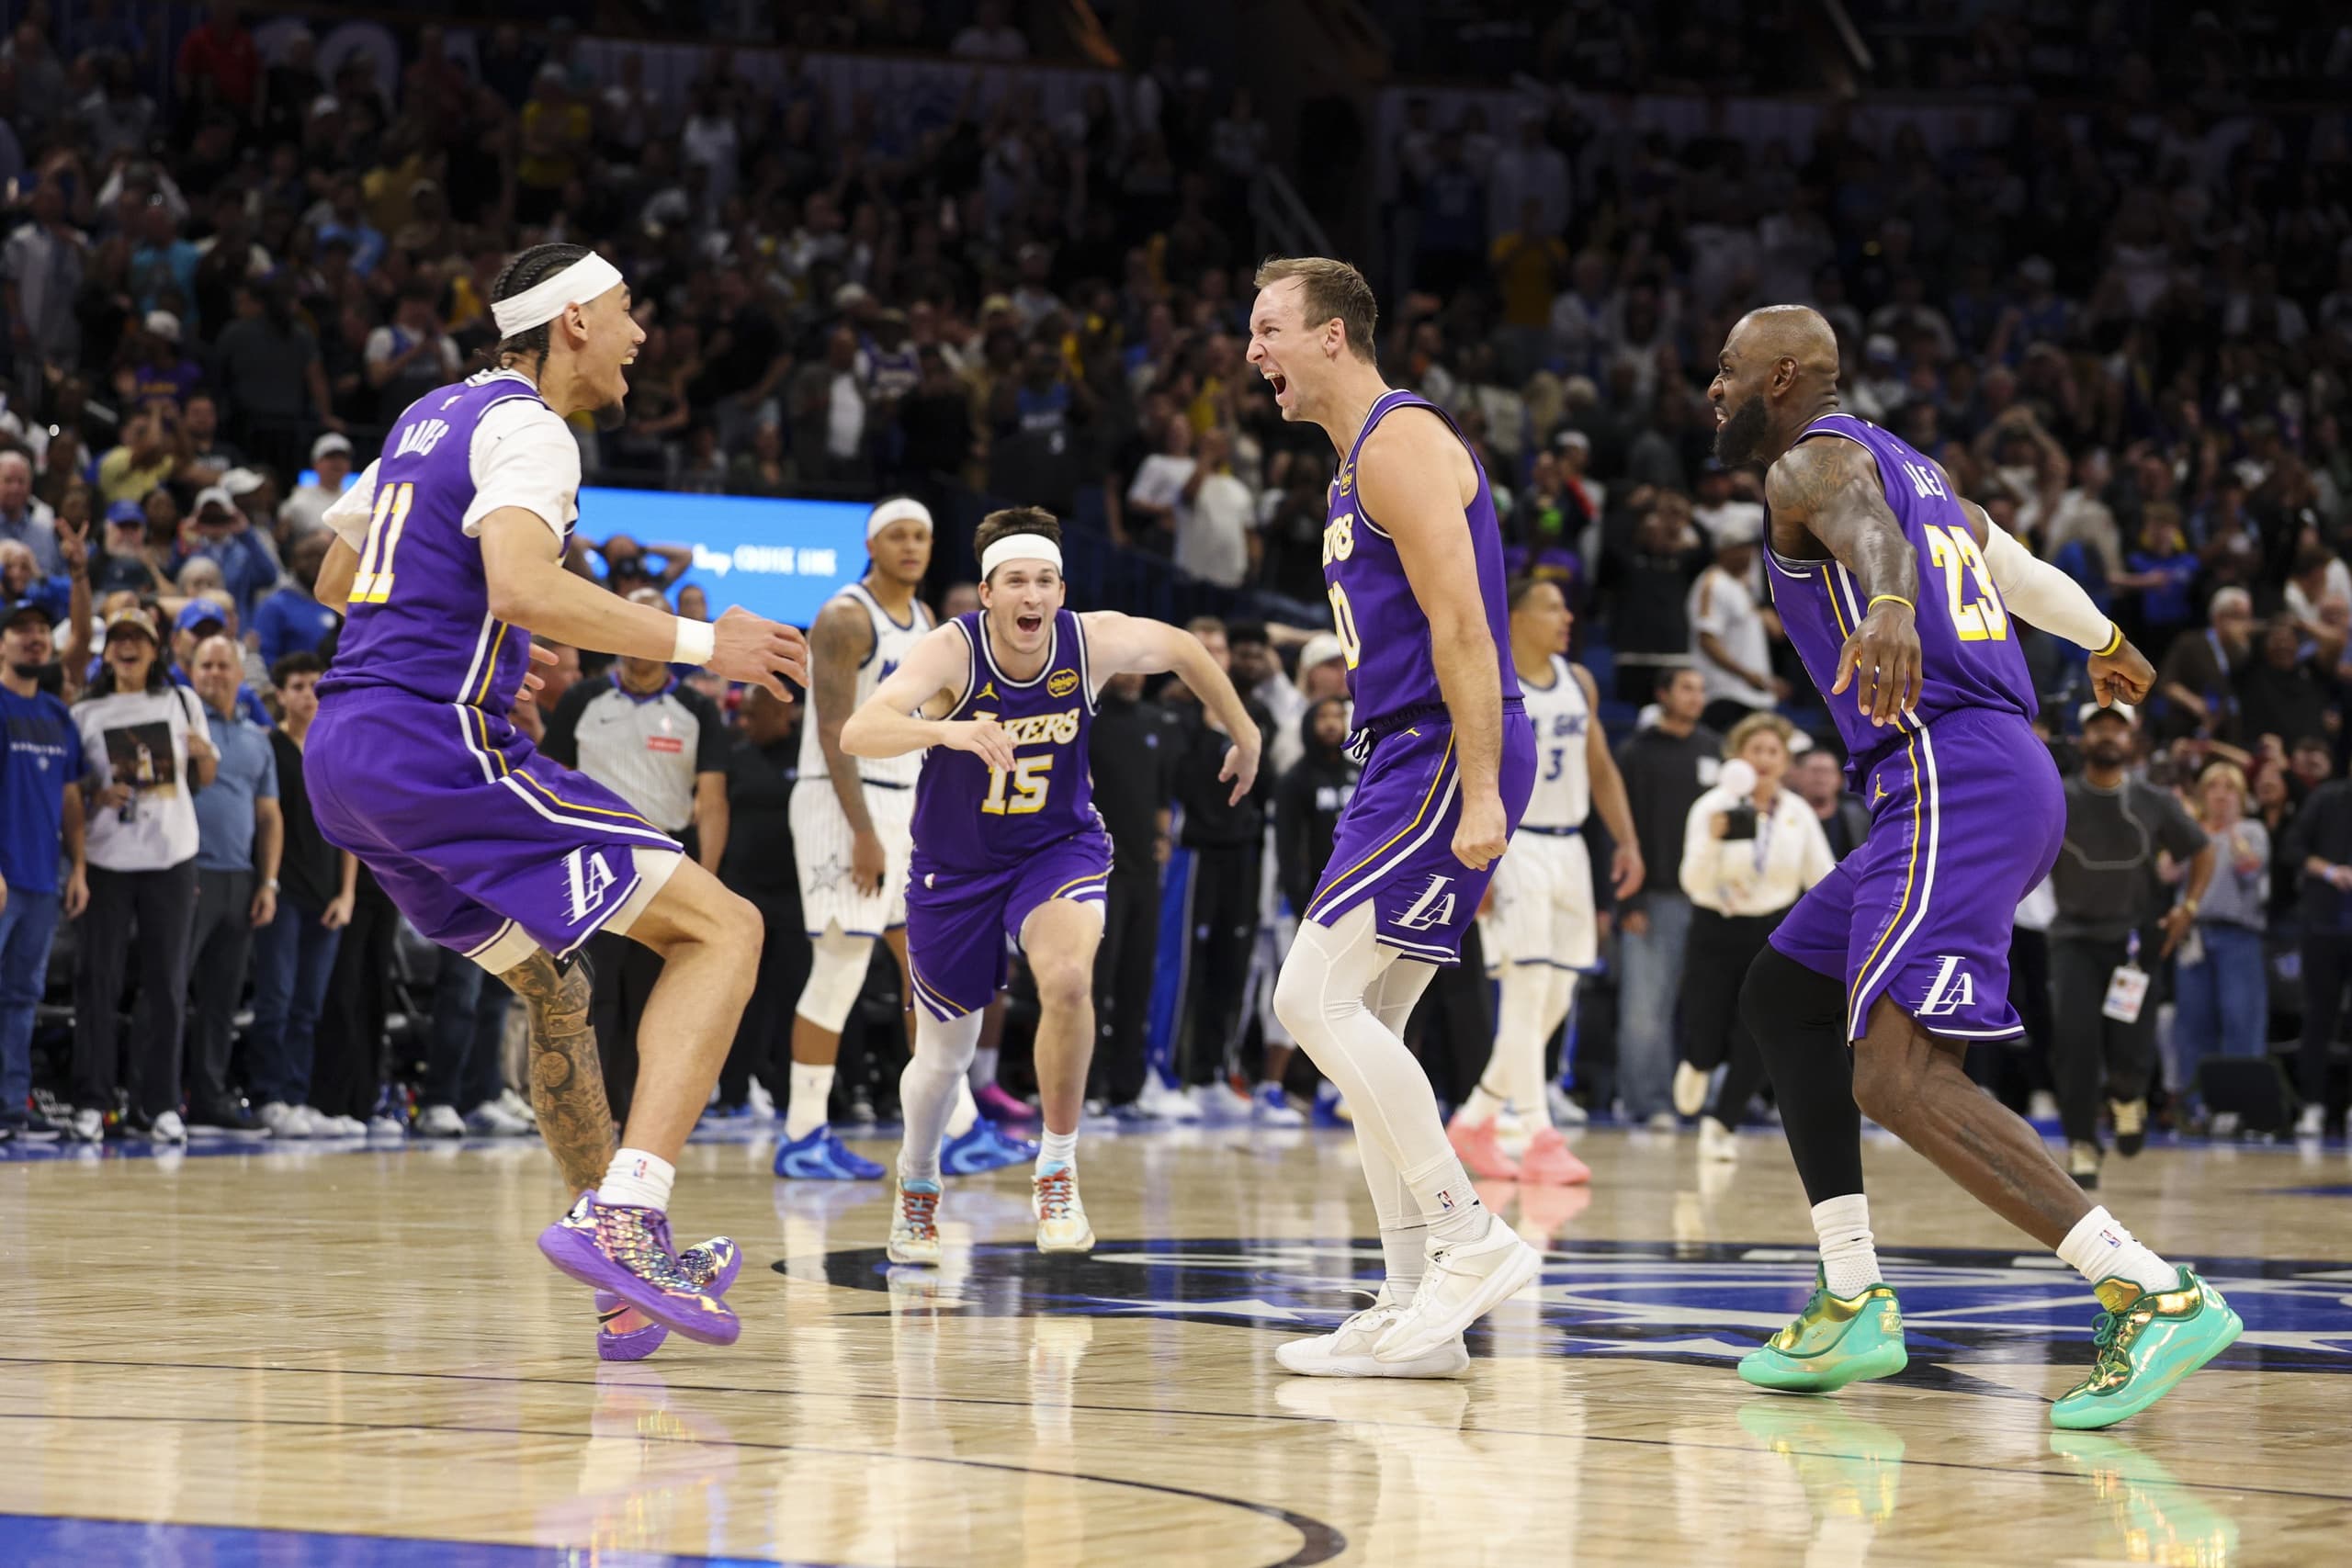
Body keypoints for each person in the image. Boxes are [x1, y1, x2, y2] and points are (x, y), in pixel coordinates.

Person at [1709, 304, 2238, 1430]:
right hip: (1969, 774)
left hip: (1950, 771)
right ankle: (1851, 1296)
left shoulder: (1813, 462)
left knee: (1897, 1077)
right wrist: (2102, 640)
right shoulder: (1927, 474)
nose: (1712, 387)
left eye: (1727, 369)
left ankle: (2149, 1291)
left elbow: (1863, 533)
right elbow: (2018, 568)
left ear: (1782, 376)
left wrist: (1890, 601)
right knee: (1784, 993)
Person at [301, 243, 806, 1354]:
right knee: (727, 929)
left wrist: (480, 641)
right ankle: (630, 1212)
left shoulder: (431, 413)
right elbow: (522, 582)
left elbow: (339, 580)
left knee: (557, 993)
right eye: (628, 312)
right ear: (573, 320)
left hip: (346, 754)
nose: (639, 334)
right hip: (431, 747)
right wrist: (698, 639)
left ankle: (622, 1282)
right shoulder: (531, 426)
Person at [1240, 255, 1541, 1380]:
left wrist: (1474, 789)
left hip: (1434, 749)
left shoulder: (1401, 441)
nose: (1254, 352)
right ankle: (1417, 1304)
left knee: (1306, 998)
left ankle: (1468, 1237)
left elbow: (1464, 625)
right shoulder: (1347, 467)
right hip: (1401, 753)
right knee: (1367, 1025)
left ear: (1332, 335)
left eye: (1269, 329)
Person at [841, 506, 1261, 1265]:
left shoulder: (1088, 641)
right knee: (944, 1056)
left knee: (1067, 979)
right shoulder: (951, 651)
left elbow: (1186, 648)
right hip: (956, 868)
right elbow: (859, 730)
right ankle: (918, 1181)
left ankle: (1057, 1168)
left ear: (1059, 591)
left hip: (1056, 848)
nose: (1029, 596)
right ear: (987, 593)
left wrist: (1246, 729)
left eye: (1043, 581)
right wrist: (948, 730)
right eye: (1014, 583)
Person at [780, 498, 1027, 1177]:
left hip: (903, 805)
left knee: (931, 973)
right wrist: (861, 830)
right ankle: (802, 1134)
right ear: (872, 544)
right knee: (838, 968)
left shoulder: (923, 621)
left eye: (922, 534)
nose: (912, 546)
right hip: (842, 802)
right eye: (898, 535)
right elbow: (834, 730)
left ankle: (959, 1125)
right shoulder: (844, 616)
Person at [1448, 577, 1639, 1186]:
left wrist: (1627, 839)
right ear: (1520, 617)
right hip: (1517, 844)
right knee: (1527, 993)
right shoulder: (1494, 680)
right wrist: (1474, 867)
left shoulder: (1578, 680)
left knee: (1556, 997)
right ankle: (1537, 1132)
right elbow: (1465, 772)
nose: (1567, 618)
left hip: (1571, 848)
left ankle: (1476, 1118)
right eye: (1553, 607)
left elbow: (1600, 765)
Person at [541, 585, 732, 1125]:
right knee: (591, 992)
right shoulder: (583, 700)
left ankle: (643, 1116)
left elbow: (712, 801)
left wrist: (709, 885)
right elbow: (551, 783)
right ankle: (593, 1115)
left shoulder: (697, 707)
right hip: (590, 861)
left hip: (668, 860)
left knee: (655, 996)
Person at [68, 606, 217, 1143]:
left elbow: (205, 775)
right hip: (107, 859)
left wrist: (204, 754)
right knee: (97, 983)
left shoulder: (181, 701)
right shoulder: (85, 712)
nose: (128, 647)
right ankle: (93, 1102)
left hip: (172, 856)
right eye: (119, 639)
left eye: (139, 639)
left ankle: (158, 1105)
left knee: (167, 986)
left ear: (156, 650)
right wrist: (96, 792)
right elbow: (72, 788)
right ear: (107, 651)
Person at [2049, 703, 2214, 1183]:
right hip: (2074, 938)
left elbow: (2202, 849)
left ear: (2132, 740)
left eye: (2115, 728)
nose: (2106, 735)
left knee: (2131, 1042)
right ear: (2082, 737)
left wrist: (2187, 909)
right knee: (2075, 1042)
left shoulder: (2153, 799)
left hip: (2134, 942)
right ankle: (2081, 1141)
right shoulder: (2060, 797)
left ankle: (2127, 1098)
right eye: (2096, 726)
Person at [1674, 713, 1835, 1163]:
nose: (1763, 759)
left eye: (1772, 751)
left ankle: (1720, 1124)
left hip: (1771, 934)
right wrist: (1713, 840)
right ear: (1737, 757)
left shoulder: (1798, 814)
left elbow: (1821, 878)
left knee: (1759, 1033)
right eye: (1755, 750)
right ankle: (1699, 1062)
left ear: (1785, 761)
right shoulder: (1711, 807)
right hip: (1713, 926)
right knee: (1704, 1026)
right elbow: (1691, 880)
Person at [244, 652, 358, 1136]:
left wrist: (347, 892)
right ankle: (269, 1097)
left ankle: (297, 1097)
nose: (307, 693)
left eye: (315, 683)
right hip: (283, 892)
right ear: (279, 694)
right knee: (277, 1000)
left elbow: (352, 827)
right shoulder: (269, 748)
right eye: (296, 685)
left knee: (309, 1007)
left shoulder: (335, 749)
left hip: (326, 894)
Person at [182, 633, 281, 1137]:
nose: (215, 674)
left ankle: (209, 1099)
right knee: (170, 991)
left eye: (224, 666)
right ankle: (154, 1098)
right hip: (186, 875)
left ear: (241, 676)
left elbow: (269, 816)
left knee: (221, 1000)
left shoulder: (254, 740)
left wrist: (267, 881)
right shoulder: (178, 727)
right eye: (206, 666)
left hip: (239, 878)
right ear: (191, 672)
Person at [1611, 666, 1721, 1126]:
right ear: (1663, 694)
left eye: (1700, 689)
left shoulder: (1715, 749)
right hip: (1653, 897)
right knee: (1645, 1010)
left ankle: (1706, 1100)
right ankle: (1646, 1102)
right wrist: (1626, 901)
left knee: (1707, 1006)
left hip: (1709, 900)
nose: (1696, 697)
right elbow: (1619, 831)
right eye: (1687, 688)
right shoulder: (1636, 753)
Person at [0, 594, 88, 1139]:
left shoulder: (58, 714)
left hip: (40, 881)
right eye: (21, 629)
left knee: (21, 999)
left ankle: (11, 1106)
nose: (34, 637)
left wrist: (77, 867)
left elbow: (72, 799)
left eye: (41, 630)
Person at [1087, 668, 1182, 1118]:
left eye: (1139, 667)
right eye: (1122, 666)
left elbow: (1163, 795)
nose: (1131, 676)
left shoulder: (1155, 722)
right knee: (1093, 982)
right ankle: (1086, 1092)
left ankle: (1127, 1090)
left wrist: (1162, 838)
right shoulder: (1087, 717)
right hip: (1096, 869)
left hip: (1145, 871)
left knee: (1135, 982)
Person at [714, 683, 809, 1118]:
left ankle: (795, 1098)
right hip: (741, 894)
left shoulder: (810, 755)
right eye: (744, 714)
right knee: (740, 999)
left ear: (783, 711)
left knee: (793, 999)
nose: (747, 723)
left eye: (755, 714)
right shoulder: (735, 754)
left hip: (795, 898)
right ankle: (733, 1092)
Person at [2169, 760, 2268, 1125]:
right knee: (2192, 1023)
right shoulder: (2193, 835)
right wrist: (2186, 828)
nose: (2221, 795)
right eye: (2214, 788)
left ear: (2241, 796)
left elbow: (2251, 867)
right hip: (2193, 936)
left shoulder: (2251, 830)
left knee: (2240, 1020)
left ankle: (2240, 1107)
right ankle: (2198, 1105)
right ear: (2203, 795)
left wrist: (2228, 831)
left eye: (2229, 788)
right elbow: (2166, 870)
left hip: (2237, 936)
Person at [1690, 517, 1786, 733]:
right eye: (1739, 548)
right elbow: (1707, 640)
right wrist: (1746, 675)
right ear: (1722, 550)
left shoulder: (1743, 586)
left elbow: (1776, 632)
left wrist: (1766, 680)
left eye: (1749, 547)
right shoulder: (1713, 582)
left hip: (1752, 694)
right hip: (1725, 694)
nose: (1747, 554)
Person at [1792, 746, 1870, 860]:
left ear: (1840, 780)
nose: (1821, 778)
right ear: (1799, 776)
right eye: (1815, 771)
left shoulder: (1859, 818)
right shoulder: (1785, 813)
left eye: (1827, 772)